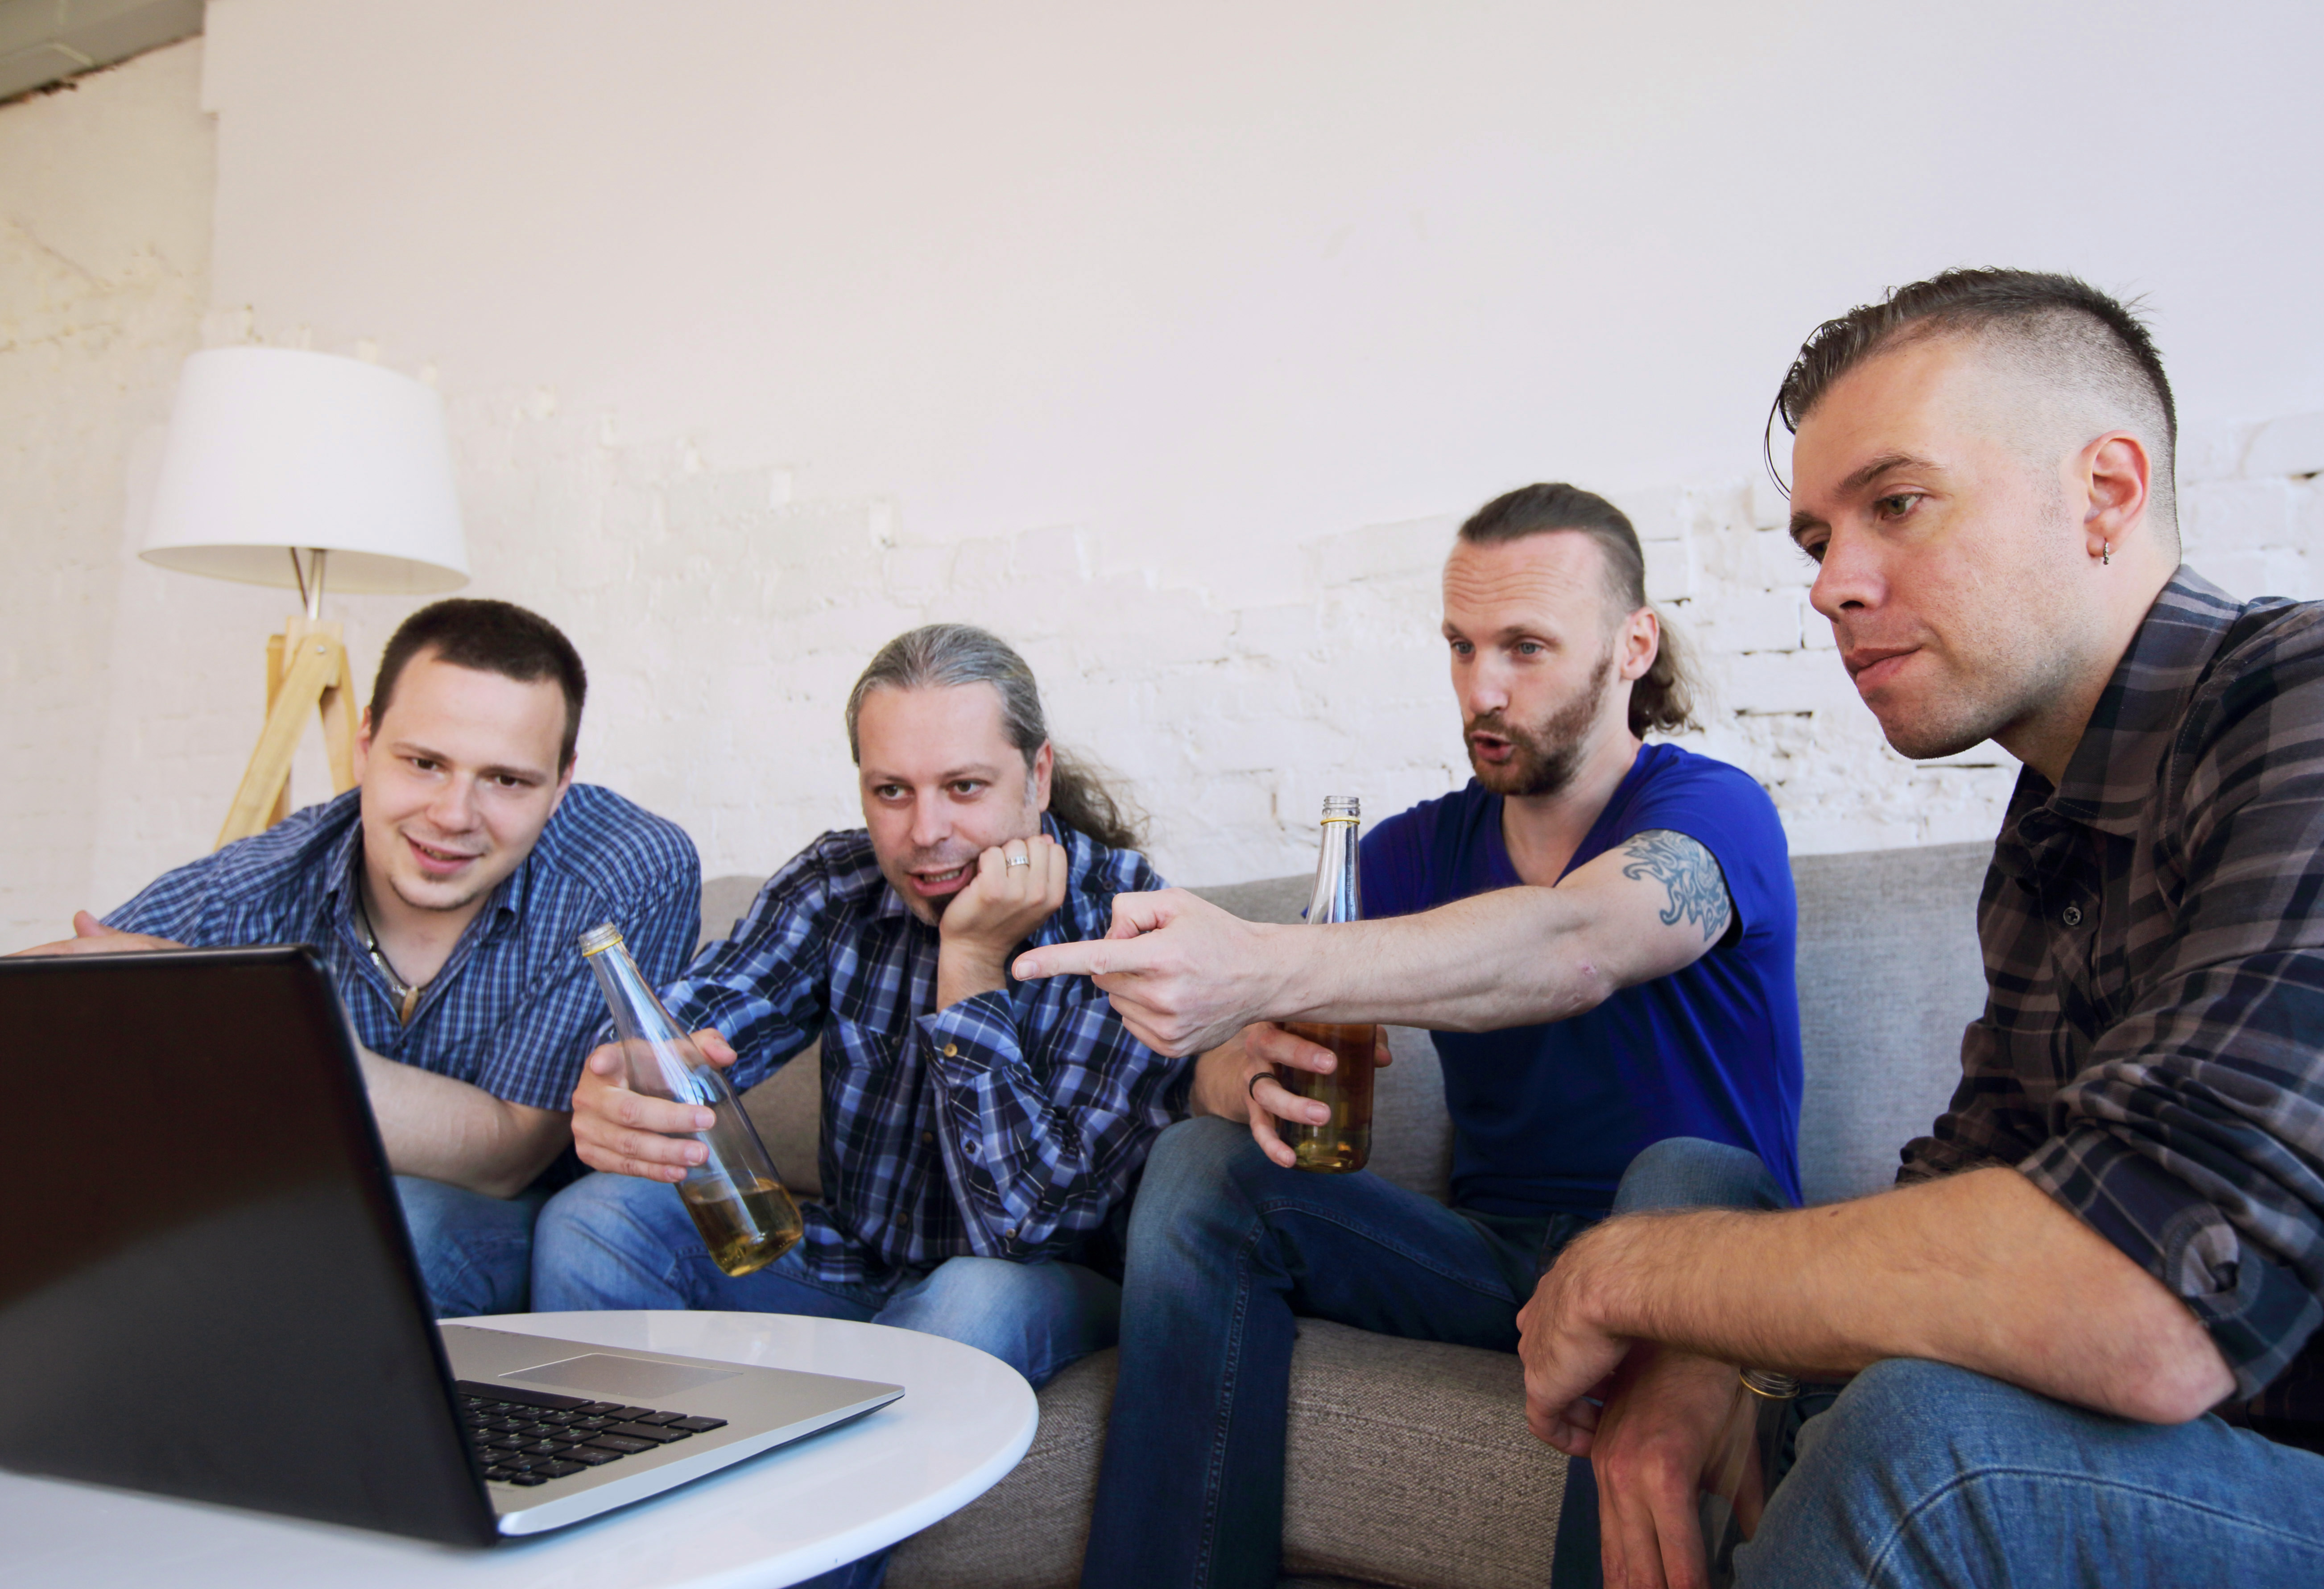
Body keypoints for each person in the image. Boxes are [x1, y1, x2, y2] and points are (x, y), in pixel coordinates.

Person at [1513, 268, 2324, 1589]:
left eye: (1897, 504)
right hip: (2212, 1457)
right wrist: (1710, 1336)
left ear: (2105, 495)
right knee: (1687, 1175)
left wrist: (1622, 1280)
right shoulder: (2052, 829)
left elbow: (2150, 1301)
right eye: (1815, 540)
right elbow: (1975, 1180)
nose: (1831, 586)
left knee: (1934, 1450)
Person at [1014, 484, 1803, 1589]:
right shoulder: (1412, 852)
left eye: (1525, 647)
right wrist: (1233, 1073)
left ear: (1632, 647)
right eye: (1460, 646)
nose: (1481, 689)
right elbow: (1253, 1043)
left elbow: (1576, 945)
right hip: (1501, 1264)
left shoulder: (1716, 814)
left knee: (1683, 1168)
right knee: (1199, 1167)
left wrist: (1258, 960)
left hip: (1695, 1252)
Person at [532, 622, 1200, 1391]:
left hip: (1038, 1282)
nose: (926, 833)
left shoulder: (1124, 922)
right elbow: (693, 1026)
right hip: (855, 1261)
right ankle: (634, 1461)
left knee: (971, 1300)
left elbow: (1030, 1227)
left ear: (1037, 774)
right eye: (892, 791)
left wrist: (970, 961)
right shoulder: (838, 884)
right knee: (592, 1220)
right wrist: (631, 1079)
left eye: (965, 787)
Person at [15, 598, 699, 1319]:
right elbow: (48, 1023)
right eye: (424, 763)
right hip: (288, 1209)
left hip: (523, 1223)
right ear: (365, 746)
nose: (454, 815)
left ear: (561, 784)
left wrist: (260, 1039)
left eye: (507, 780)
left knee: (395, 1228)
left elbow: (509, 1153)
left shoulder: (625, 870)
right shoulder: (254, 886)